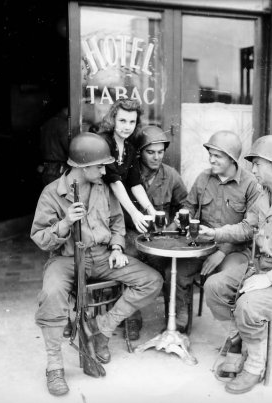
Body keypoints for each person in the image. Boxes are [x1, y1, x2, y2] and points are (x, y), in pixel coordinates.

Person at [31, 132, 163, 396]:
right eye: (100, 165)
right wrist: (66, 222)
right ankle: (54, 365)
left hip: (102, 256)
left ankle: (101, 329)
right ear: (81, 166)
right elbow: (40, 238)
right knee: (51, 294)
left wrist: (116, 246)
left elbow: (116, 222)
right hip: (67, 259)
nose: (105, 170)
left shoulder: (104, 187)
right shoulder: (52, 193)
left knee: (152, 280)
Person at [198, 135, 272, 394]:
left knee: (247, 304)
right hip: (262, 267)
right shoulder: (264, 196)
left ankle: (255, 364)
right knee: (214, 286)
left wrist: (269, 278)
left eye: (257, 164)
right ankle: (239, 339)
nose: (252, 170)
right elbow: (246, 227)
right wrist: (216, 234)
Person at [173, 130, 261, 333]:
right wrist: (182, 218)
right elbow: (189, 208)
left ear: (231, 159)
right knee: (176, 272)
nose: (211, 159)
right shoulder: (203, 178)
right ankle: (180, 321)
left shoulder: (250, 185)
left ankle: (237, 334)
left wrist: (222, 251)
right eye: (210, 154)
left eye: (217, 156)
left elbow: (250, 230)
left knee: (225, 281)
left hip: (235, 251)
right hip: (202, 246)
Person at [123, 125, 188, 339]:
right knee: (129, 260)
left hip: (162, 238)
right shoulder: (129, 176)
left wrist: (177, 222)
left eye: (161, 152)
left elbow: (185, 205)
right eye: (151, 152)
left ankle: (178, 315)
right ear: (140, 152)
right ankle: (131, 317)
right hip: (133, 235)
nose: (157, 157)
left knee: (173, 267)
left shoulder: (171, 176)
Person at [96, 98, 157, 233]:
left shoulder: (129, 147)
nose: (127, 126)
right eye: (122, 121)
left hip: (116, 206)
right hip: (97, 206)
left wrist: (151, 209)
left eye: (132, 122)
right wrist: (134, 213)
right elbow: (114, 182)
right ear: (113, 120)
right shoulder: (104, 142)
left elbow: (135, 183)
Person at [39, 104, 69, 186]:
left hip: (46, 170)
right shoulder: (63, 125)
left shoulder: (46, 124)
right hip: (58, 171)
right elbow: (70, 148)